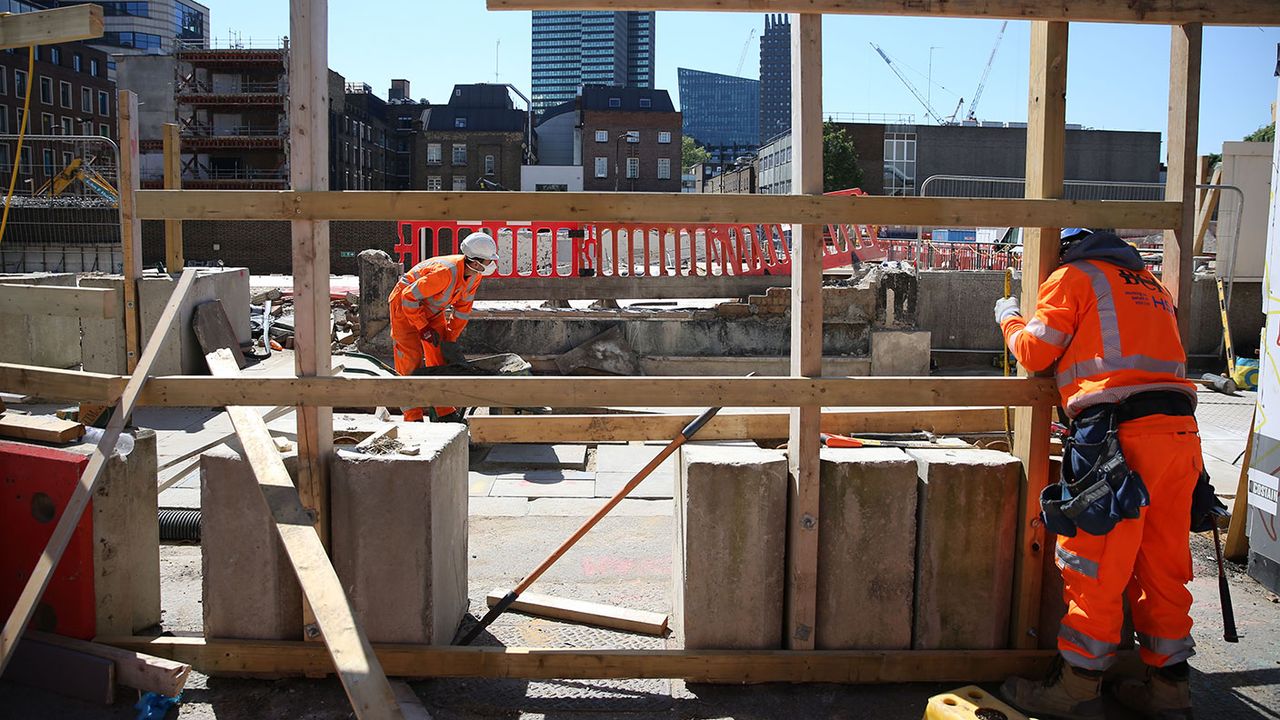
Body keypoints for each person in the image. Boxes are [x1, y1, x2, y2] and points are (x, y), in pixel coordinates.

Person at [996, 228, 1202, 719]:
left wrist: (1007, 317)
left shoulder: (1072, 276)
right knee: (1164, 566)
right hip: (1179, 438)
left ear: (1062, 250)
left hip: (1116, 441)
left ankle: (1075, 688)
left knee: (1095, 566)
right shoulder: (1152, 286)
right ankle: (1169, 691)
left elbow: (1034, 352)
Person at [388, 232, 499, 423]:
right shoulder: (444, 273)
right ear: (474, 261)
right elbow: (408, 297)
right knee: (410, 360)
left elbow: (463, 309)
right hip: (404, 307)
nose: (491, 265)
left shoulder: (474, 276)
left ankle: (444, 411)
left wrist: (450, 337)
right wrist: (423, 328)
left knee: (439, 357)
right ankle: (413, 418)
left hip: (432, 310)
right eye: (488, 261)